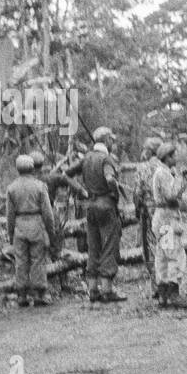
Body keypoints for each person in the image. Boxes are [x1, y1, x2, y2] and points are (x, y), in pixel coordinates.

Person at [65, 127, 126, 302]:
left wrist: (82, 190)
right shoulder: (106, 159)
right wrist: (115, 193)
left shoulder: (86, 159)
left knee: (93, 246)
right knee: (109, 246)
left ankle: (92, 290)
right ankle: (107, 290)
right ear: (106, 140)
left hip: (90, 207)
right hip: (106, 206)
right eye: (111, 140)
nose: (112, 143)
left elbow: (65, 174)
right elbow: (109, 179)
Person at [6, 154, 58, 307]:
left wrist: (10, 234)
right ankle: (39, 294)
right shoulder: (40, 186)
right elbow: (48, 213)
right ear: (32, 168)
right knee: (38, 260)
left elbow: (9, 214)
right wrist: (51, 231)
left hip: (19, 225)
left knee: (21, 261)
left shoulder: (12, 188)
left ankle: (21, 295)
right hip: (36, 223)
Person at [151, 142, 187, 308]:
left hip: (163, 216)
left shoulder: (164, 172)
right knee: (173, 254)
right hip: (167, 218)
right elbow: (171, 195)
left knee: (163, 255)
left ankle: (163, 293)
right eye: (173, 155)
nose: (175, 158)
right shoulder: (164, 174)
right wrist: (181, 179)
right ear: (167, 157)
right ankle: (172, 293)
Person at [134, 137, 163, 297]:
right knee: (166, 244)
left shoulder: (142, 167)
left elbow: (137, 192)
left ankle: (156, 284)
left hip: (148, 211)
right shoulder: (166, 166)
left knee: (150, 248)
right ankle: (167, 284)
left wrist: (138, 209)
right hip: (165, 212)